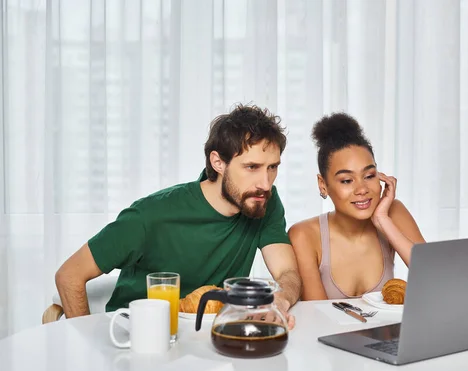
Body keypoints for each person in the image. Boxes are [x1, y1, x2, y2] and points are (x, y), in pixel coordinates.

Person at [55, 104, 301, 327]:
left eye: (273, 167)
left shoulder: (262, 200)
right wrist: (84, 342)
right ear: (218, 162)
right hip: (138, 338)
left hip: (210, 337)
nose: (266, 183)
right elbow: (69, 275)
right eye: (252, 167)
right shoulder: (151, 215)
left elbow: (287, 273)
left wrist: (280, 300)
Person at [288, 112, 425, 300]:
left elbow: (437, 279)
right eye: (346, 180)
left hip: (393, 331)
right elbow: (316, 315)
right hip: (329, 330)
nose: (362, 189)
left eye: (369, 176)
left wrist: (383, 220)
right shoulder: (304, 235)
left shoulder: (393, 213)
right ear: (323, 184)